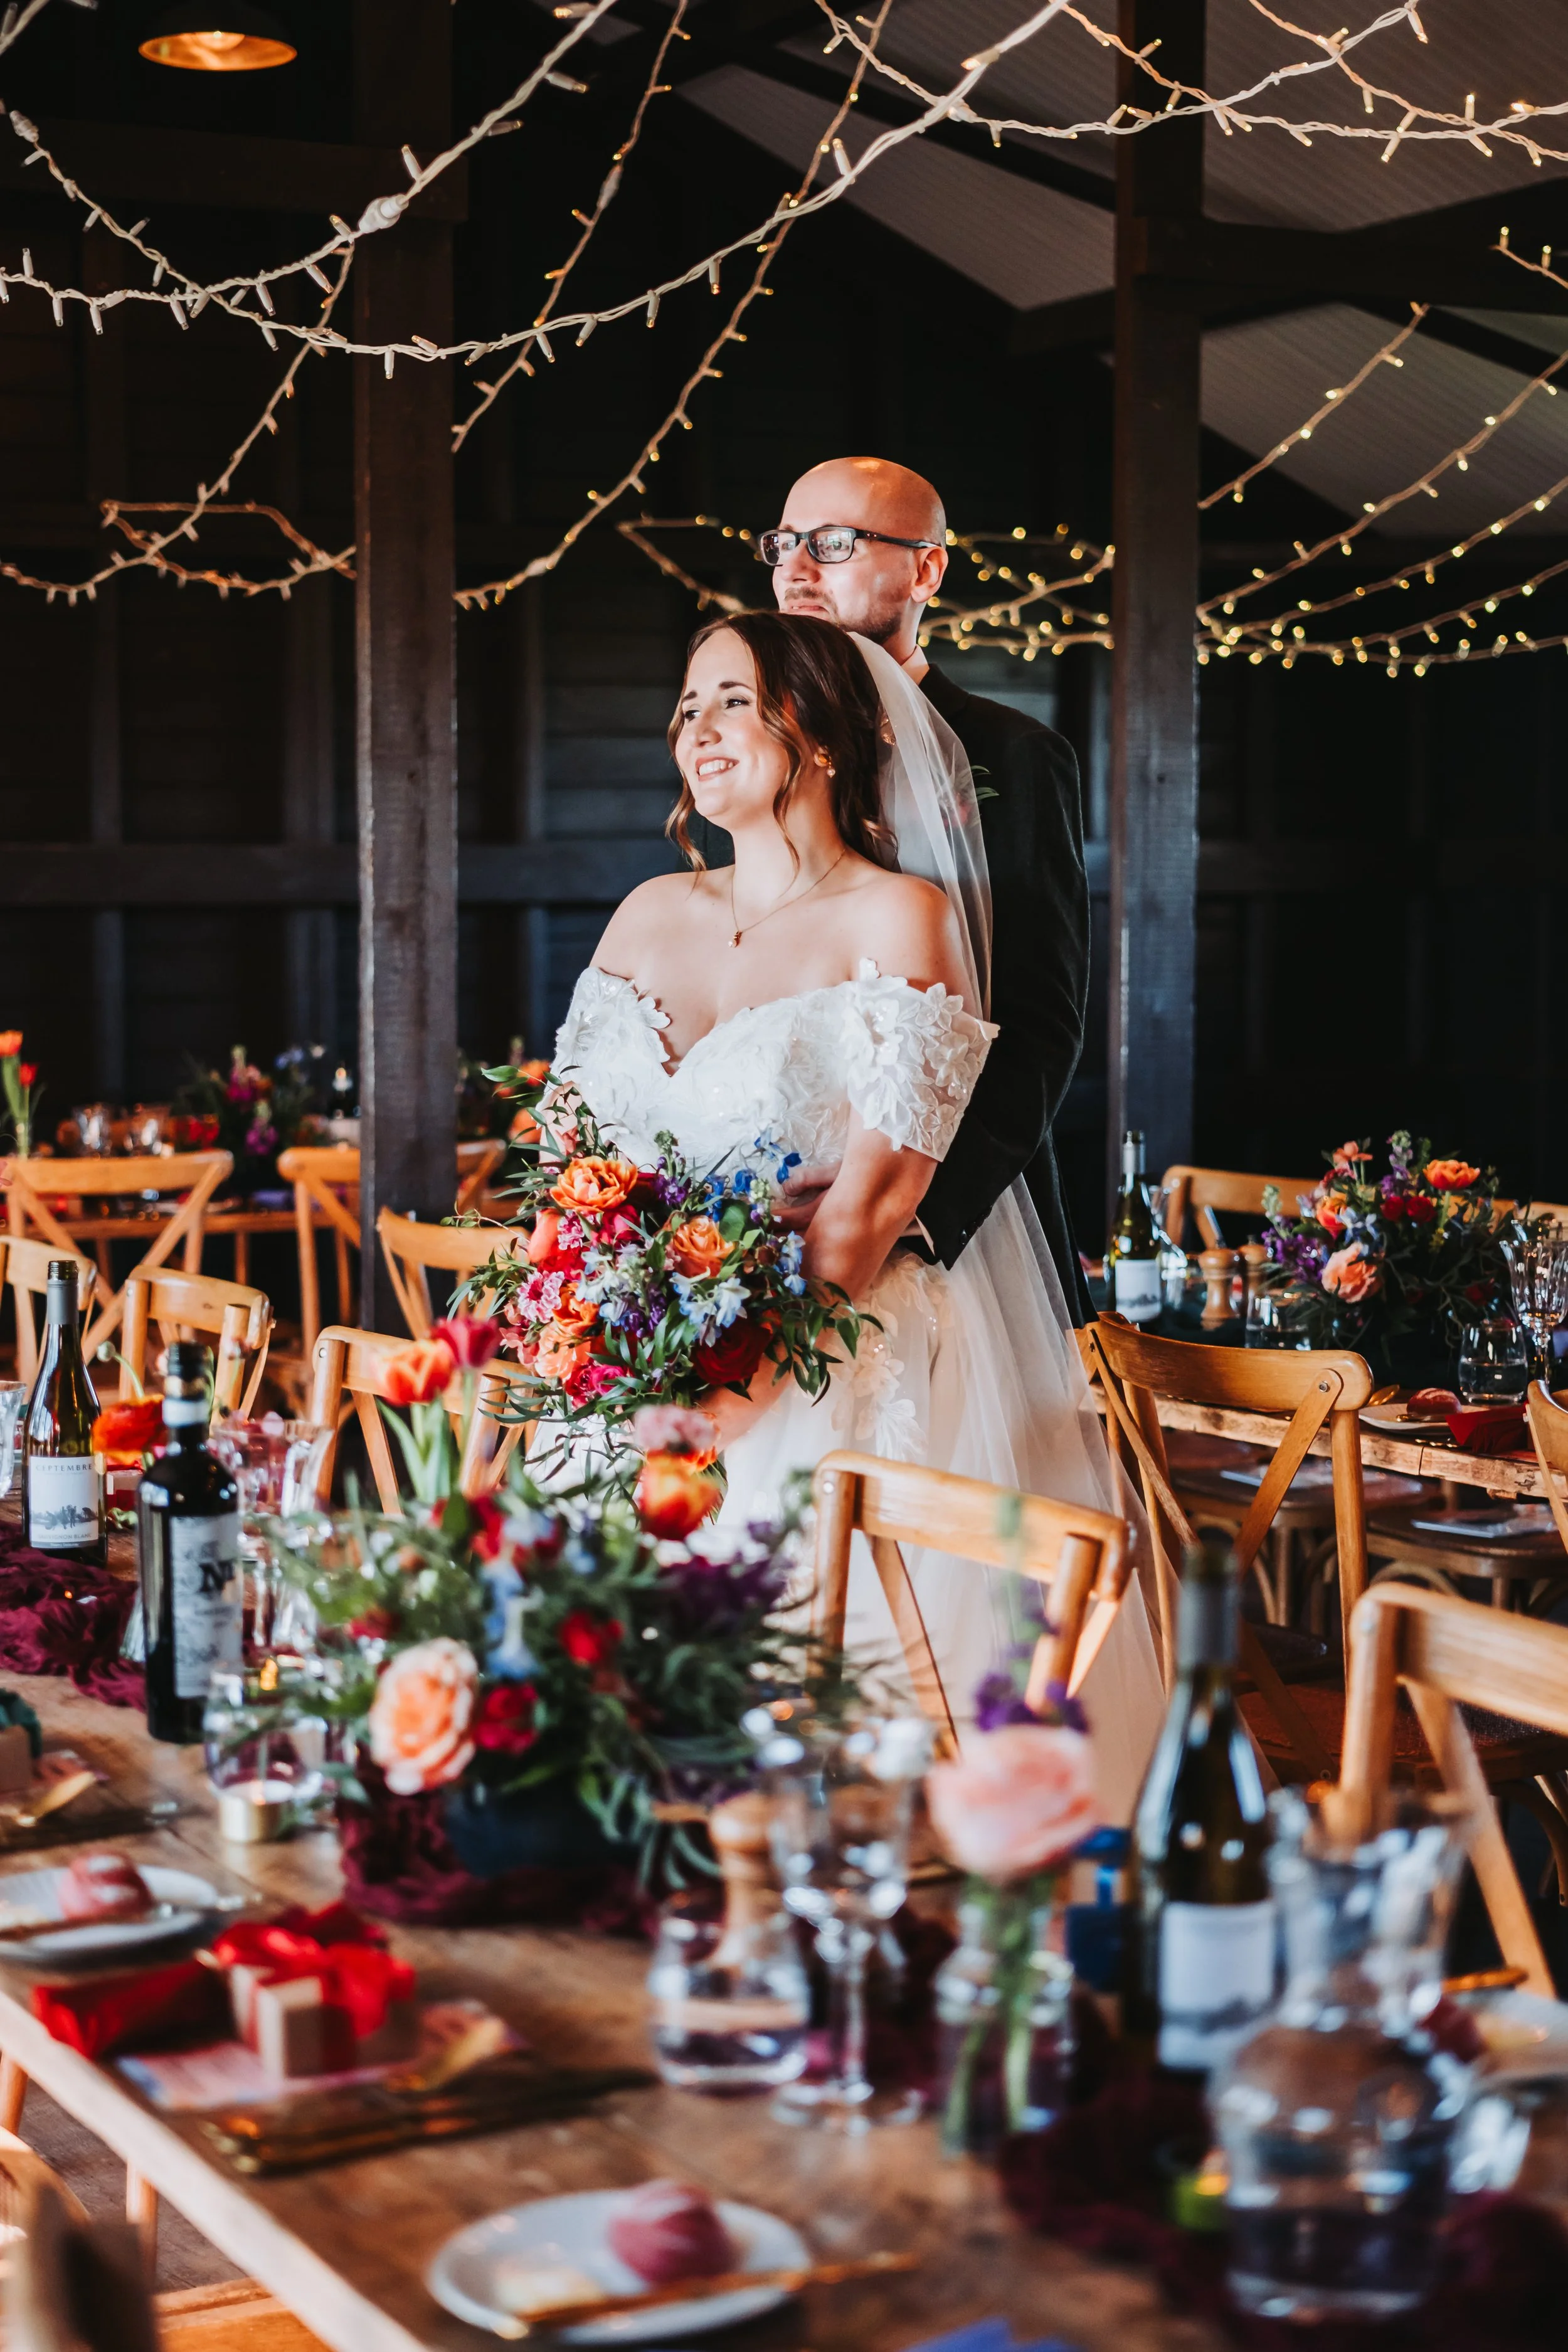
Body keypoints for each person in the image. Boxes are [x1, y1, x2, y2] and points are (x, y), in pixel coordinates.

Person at [546, 610, 1160, 1816]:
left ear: (820, 732)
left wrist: (728, 1396)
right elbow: (566, 1167)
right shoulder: (646, 915)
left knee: (823, 1765)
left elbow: (875, 1199)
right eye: (686, 707)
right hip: (616, 1379)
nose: (698, 730)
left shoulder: (903, 919)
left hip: (825, 1372)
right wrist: (578, 1350)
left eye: (732, 700)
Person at [765, 455, 1093, 1322]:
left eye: (833, 543)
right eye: (785, 543)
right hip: (764, 1213)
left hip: (951, 1234)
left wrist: (913, 1213)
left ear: (927, 568)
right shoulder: (751, 751)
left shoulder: (1014, 758)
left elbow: (1042, 1023)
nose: (796, 569)